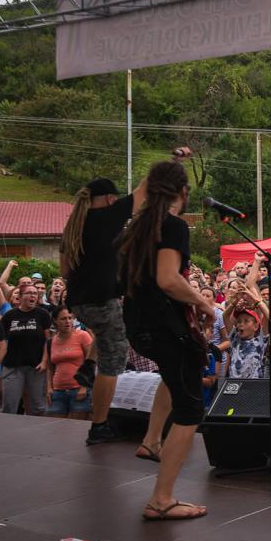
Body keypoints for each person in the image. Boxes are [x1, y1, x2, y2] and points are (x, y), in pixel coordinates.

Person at [117, 160, 216, 520]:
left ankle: (151, 439)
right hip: (166, 327)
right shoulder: (172, 225)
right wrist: (205, 303)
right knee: (190, 410)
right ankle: (161, 499)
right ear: (183, 192)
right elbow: (168, 279)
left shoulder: (137, 227)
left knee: (172, 379)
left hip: (139, 326)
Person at [60, 169, 153, 446]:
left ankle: (88, 364)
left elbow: (65, 272)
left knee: (104, 333)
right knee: (112, 364)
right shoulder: (107, 217)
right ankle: (99, 425)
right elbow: (143, 190)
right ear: (111, 199)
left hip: (79, 302)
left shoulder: (75, 224)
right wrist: (173, 160)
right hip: (102, 300)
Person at [0, 285, 53, 415]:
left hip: (36, 366)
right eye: (28, 293)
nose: (32, 296)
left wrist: (44, 361)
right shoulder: (9, 316)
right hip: (13, 366)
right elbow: (1, 342)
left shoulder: (43, 314)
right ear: (20, 297)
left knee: (38, 407)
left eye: (35, 293)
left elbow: (48, 340)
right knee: (9, 406)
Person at [47, 306, 93, 419]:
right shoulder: (50, 341)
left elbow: (92, 361)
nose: (68, 321)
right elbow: (50, 368)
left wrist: (84, 387)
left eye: (70, 318)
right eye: (63, 319)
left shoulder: (82, 335)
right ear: (55, 321)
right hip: (57, 391)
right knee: (55, 426)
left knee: (76, 426)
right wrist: (49, 388)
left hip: (79, 389)